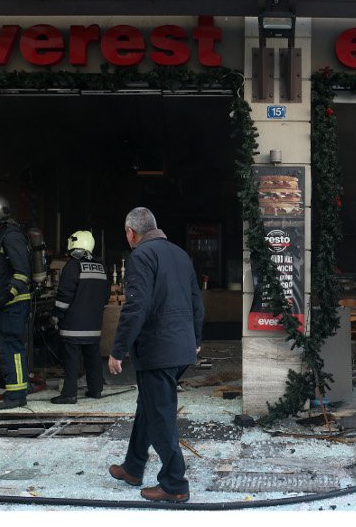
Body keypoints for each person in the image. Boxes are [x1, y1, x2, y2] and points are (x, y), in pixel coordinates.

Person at [107, 207, 203, 503]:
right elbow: (196, 301)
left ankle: (175, 484)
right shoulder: (179, 254)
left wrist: (118, 350)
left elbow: (136, 307)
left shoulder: (140, 256)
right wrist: (195, 339)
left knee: (160, 415)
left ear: (131, 232)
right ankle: (133, 467)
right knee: (149, 406)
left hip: (158, 350)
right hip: (180, 348)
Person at [0, 193, 33, 410]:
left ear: (1, 213)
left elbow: (23, 272)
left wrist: (8, 294)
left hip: (13, 302)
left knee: (10, 346)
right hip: (2, 303)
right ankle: (18, 386)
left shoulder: (12, 236)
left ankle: (17, 394)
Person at [50, 230, 110, 404]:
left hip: (73, 326)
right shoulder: (101, 267)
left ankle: (69, 394)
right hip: (93, 324)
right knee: (93, 358)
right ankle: (96, 390)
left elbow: (64, 296)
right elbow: (105, 297)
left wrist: (56, 315)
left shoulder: (72, 266)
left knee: (71, 361)